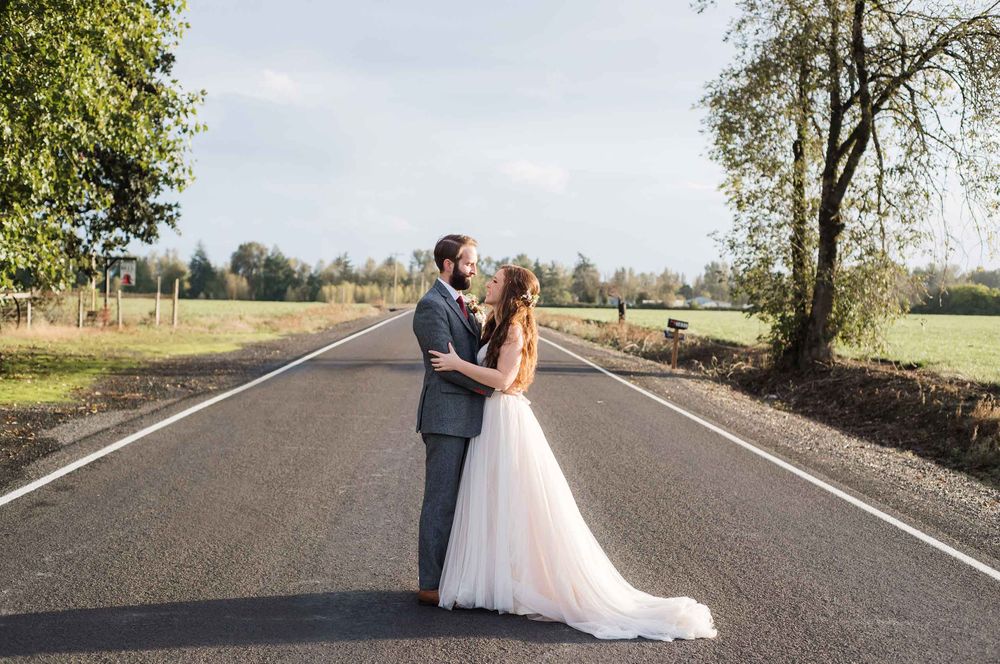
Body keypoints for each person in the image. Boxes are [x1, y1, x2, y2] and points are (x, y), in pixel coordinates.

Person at [427, 264, 718, 641]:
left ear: (512, 292)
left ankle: (515, 580)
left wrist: (457, 364)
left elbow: (502, 379)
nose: (489, 282)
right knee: (495, 500)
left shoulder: (515, 329)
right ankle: (495, 578)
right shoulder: (497, 325)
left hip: (506, 418)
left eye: (496, 280)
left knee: (517, 501)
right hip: (492, 418)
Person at [411, 234, 493, 607]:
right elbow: (444, 365)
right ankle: (431, 584)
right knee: (441, 502)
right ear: (449, 264)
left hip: (468, 416)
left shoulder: (461, 303)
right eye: (469, 263)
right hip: (445, 417)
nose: (474, 269)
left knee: (464, 501)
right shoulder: (431, 306)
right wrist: (490, 388)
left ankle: (455, 575)